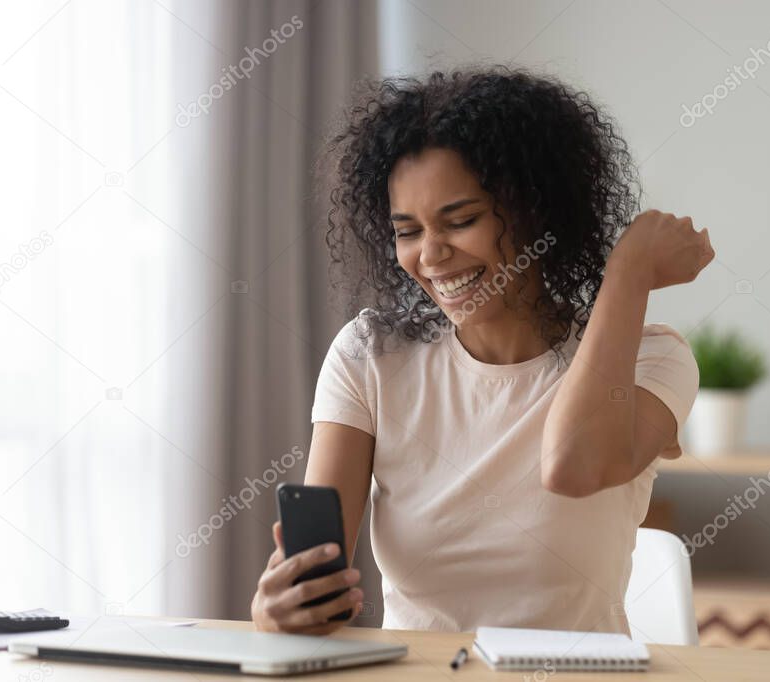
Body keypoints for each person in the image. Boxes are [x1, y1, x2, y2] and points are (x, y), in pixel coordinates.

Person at [251, 65, 714, 636]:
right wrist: (280, 610)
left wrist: (628, 272)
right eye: (408, 231)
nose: (431, 255)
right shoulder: (371, 357)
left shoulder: (651, 360)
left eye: (461, 220)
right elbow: (312, 584)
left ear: (538, 210)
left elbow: (574, 465)